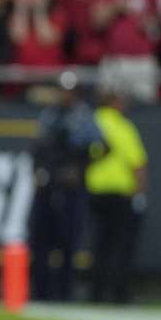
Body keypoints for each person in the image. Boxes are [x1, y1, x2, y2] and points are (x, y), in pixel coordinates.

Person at [28, 73, 102, 302]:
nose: (66, 95)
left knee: (68, 242)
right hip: (49, 184)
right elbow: (39, 147)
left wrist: (80, 169)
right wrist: (39, 170)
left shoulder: (84, 117)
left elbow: (102, 147)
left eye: (70, 91)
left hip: (71, 187)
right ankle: (41, 292)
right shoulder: (50, 115)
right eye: (63, 90)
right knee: (41, 241)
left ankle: (64, 292)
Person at [86, 89, 148, 304]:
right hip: (121, 195)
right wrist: (140, 195)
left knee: (99, 245)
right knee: (121, 247)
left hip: (95, 192)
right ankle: (120, 294)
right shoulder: (123, 126)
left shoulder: (90, 123)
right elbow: (138, 164)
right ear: (114, 102)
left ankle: (96, 293)